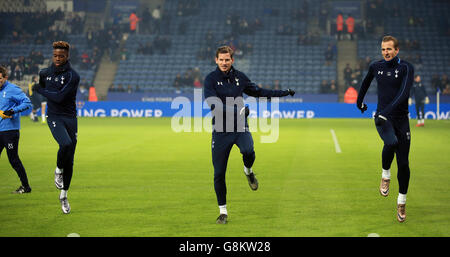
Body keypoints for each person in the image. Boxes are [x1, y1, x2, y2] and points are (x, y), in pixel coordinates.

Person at [204, 46, 295, 224]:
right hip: (221, 131)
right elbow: (213, 104)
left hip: (239, 127)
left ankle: (248, 171)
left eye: (227, 60)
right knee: (219, 173)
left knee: (248, 151)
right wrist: (237, 110)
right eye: (221, 60)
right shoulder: (210, 79)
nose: (224, 63)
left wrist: (283, 92)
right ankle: (223, 212)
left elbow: (260, 92)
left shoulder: (240, 78)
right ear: (216, 60)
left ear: (232, 60)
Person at [356, 35, 414, 223]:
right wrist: (359, 101)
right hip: (383, 119)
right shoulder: (376, 66)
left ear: (397, 50)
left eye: (389, 49)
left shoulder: (406, 68)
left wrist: (387, 111)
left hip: (401, 119)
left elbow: (403, 93)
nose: (385, 52)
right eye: (383, 49)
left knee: (404, 164)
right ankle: (385, 174)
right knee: (391, 142)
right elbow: (365, 82)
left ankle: (401, 202)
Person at [33, 41, 80, 214]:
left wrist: (40, 90)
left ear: (67, 56)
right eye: (55, 55)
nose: (58, 58)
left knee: (71, 159)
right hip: (54, 116)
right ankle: (58, 170)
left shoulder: (73, 76)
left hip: (70, 118)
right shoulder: (44, 73)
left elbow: (58, 97)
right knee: (65, 144)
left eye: (61, 56)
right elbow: (46, 91)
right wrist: (42, 91)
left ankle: (64, 195)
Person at [0, 66, 33, 194]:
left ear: (5, 78)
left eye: (0, 79)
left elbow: (27, 103)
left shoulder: (13, 89)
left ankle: (26, 186)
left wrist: (13, 110)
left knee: (13, 159)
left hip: (10, 131)